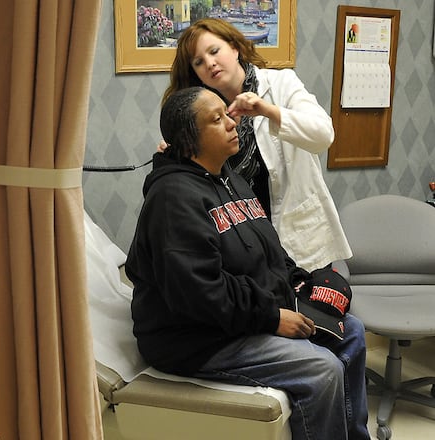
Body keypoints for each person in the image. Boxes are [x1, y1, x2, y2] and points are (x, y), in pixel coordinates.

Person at [127, 86, 370, 440]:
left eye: (228, 114)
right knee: (322, 369)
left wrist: (302, 284)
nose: (232, 123)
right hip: (196, 338)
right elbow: (199, 294)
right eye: (217, 119)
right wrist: (272, 318)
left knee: (352, 333)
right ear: (188, 139)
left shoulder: (231, 179)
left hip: (239, 317)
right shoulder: (172, 200)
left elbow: (270, 251)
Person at [159, 18, 350, 272]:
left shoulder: (281, 84)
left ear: (235, 48)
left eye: (214, 51)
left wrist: (268, 111)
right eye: (198, 62)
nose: (210, 63)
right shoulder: (201, 115)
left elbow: (323, 135)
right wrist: (177, 155)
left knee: (311, 308)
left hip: (300, 238)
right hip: (243, 243)